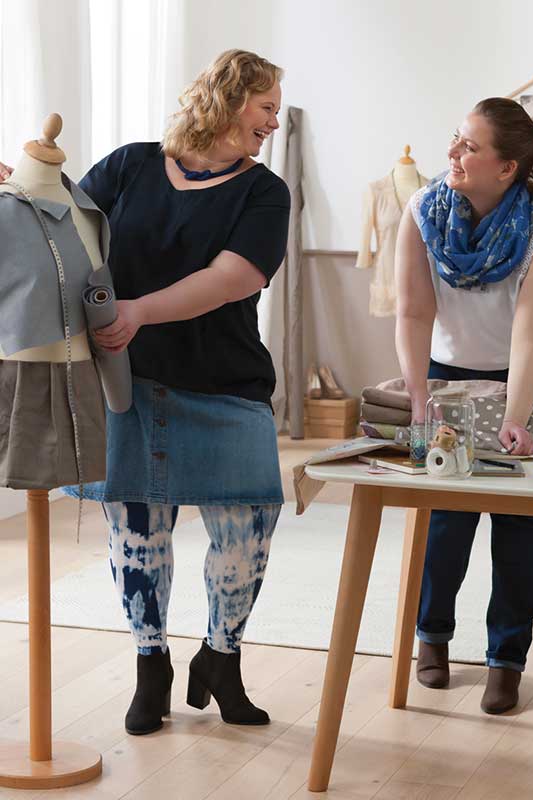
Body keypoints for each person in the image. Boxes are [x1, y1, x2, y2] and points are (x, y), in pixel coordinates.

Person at [1, 49, 290, 735]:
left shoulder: (263, 191)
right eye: (266, 107)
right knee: (137, 535)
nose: (273, 123)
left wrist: (138, 311)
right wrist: (21, 195)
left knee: (247, 535)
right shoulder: (131, 165)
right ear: (227, 100)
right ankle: (149, 661)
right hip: (129, 381)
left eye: (277, 110)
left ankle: (221, 659)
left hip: (227, 382)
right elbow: (66, 232)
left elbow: (235, 276)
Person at [394, 97, 533, 714]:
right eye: (455, 139)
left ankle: (507, 658)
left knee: (521, 516)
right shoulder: (423, 210)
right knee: (446, 508)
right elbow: (415, 311)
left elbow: (531, 337)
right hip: (450, 370)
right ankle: (433, 639)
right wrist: (418, 397)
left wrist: (517, 419)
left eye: (469, 146)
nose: (452, 153)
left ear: (506, 169)